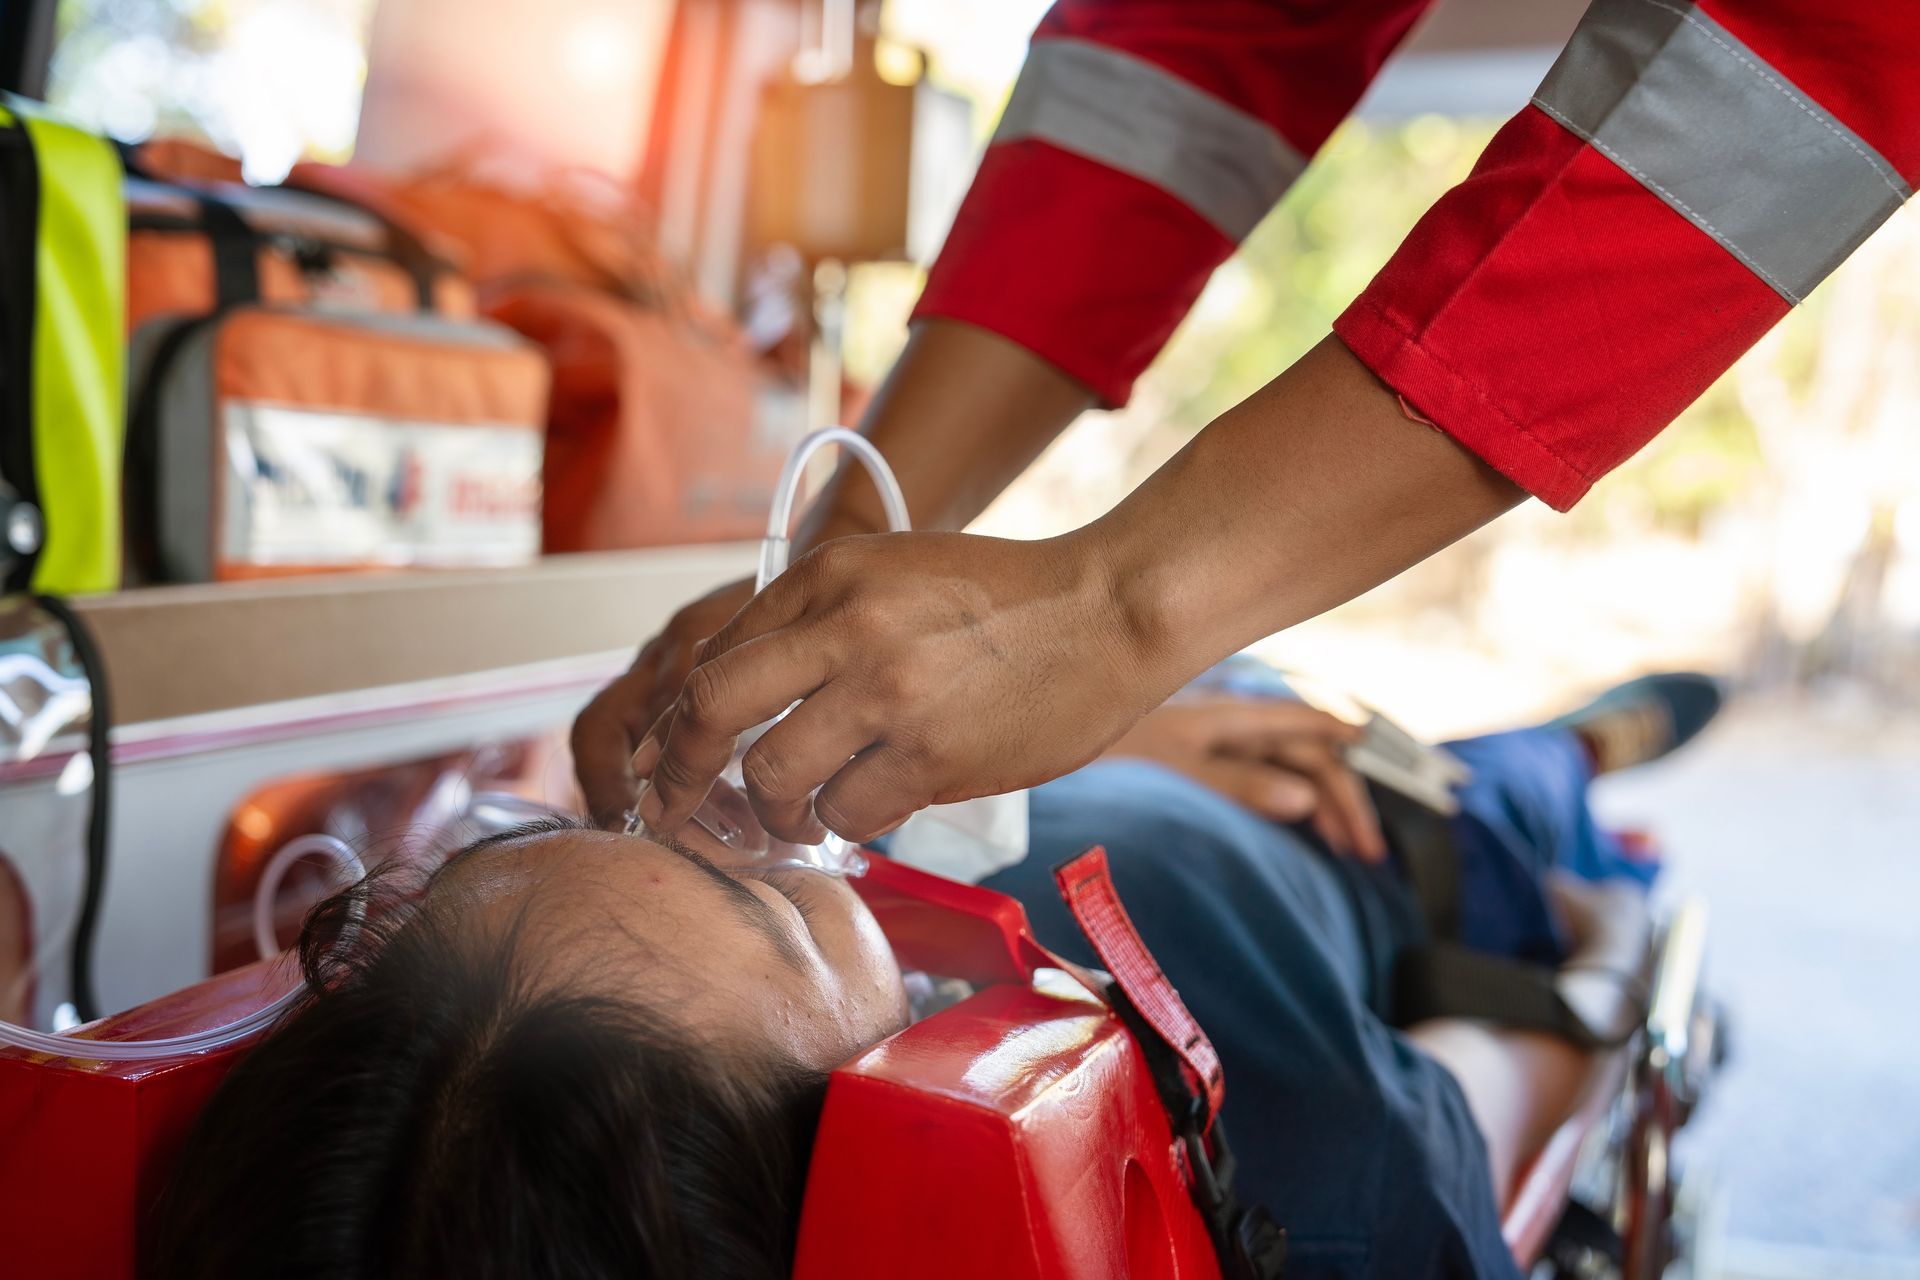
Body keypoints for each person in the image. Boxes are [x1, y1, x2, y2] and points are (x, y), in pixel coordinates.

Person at [571, 0, 1915, 849]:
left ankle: (1553, 765)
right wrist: (844, 557)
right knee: (1407, 793)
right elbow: (1195, 40)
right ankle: (1549, 766)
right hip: (1221, 727)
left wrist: (1120, 610)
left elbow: (1805, 64)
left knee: (1430, 808)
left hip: (1212, 712)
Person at [152, 668, 1718, 1280]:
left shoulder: (596, 1029)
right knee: (1505, 783)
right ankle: (1584, 748)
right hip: (1369, 839)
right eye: (762, 902)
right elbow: (1518, 1077)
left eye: (616, 833)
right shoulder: (1306, 1168)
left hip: (1156, 728)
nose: (770, 831)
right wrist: (1609, 952)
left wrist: (1109, 712)